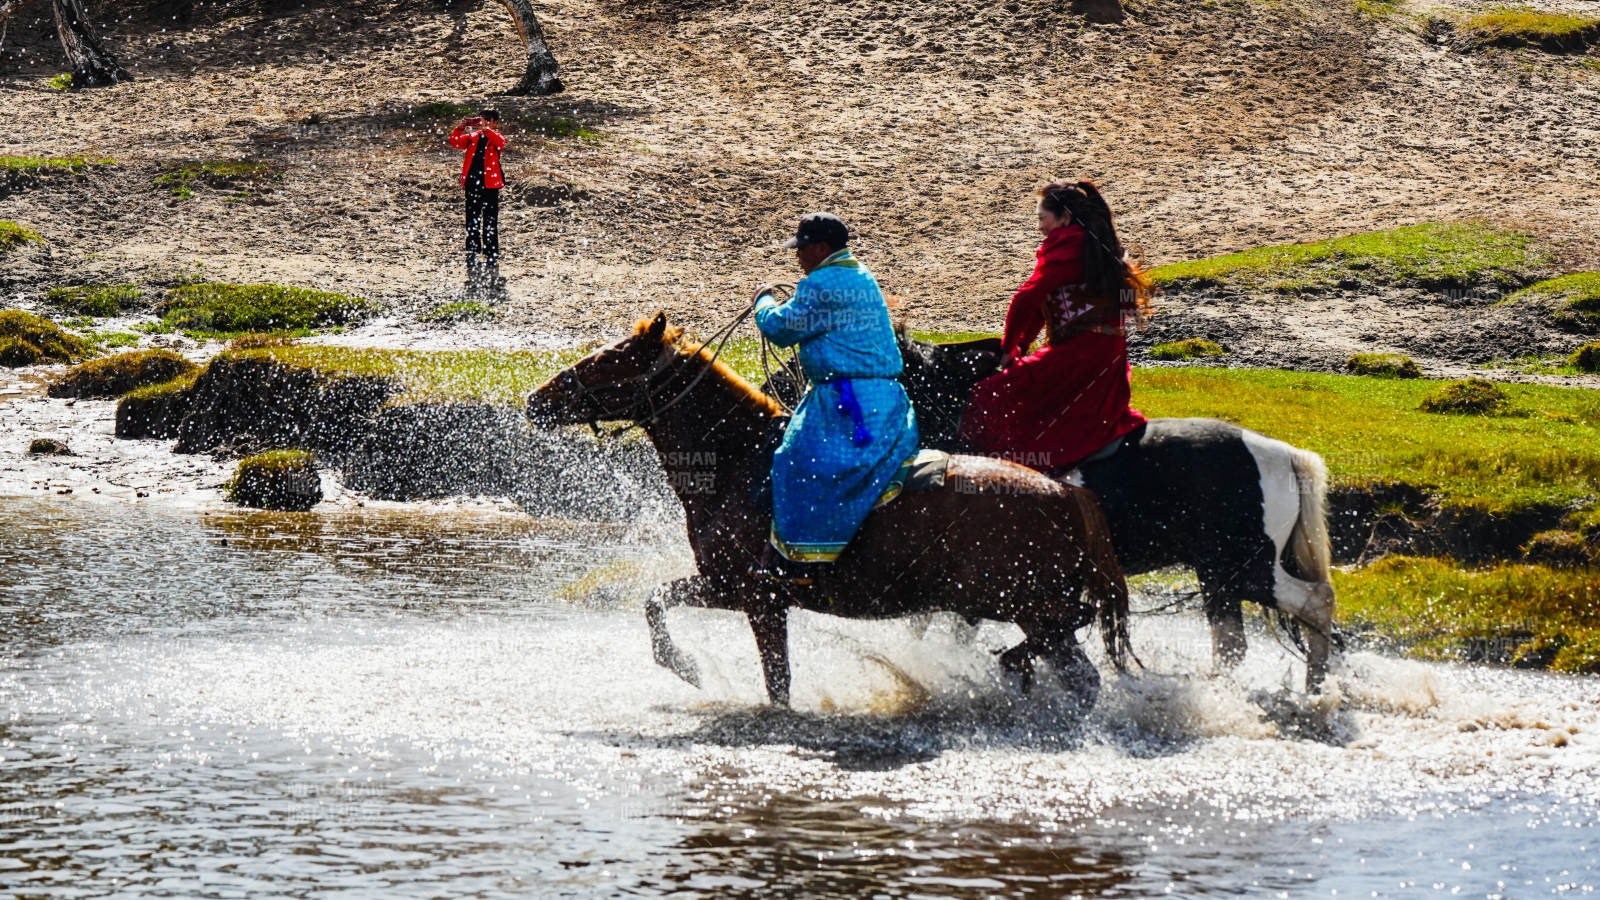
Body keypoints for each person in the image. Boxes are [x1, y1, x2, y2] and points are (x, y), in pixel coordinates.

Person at [751, 213, 919, 582]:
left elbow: (780, 329)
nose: (797, 256)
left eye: (802, 248)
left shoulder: (821, 283)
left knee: (793, 461)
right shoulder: (860, 274)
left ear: (822, 248)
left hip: (846, 404)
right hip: (886, 402)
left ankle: (796, 561)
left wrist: (761, 301)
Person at [959, 179, 1152, 472]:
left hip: (1081, 354)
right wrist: (1022, 346)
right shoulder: (1090, 244)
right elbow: (1041, 306)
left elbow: (1026, 299)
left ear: (1064, 217)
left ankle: (1008, 471)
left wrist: (1008, 348)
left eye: (1043, 218)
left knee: (987, 397)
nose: (1040, 227)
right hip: (1104, 354)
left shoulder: (1068, 245)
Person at [447, 109, 507, 297]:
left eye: (489, 120)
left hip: (490, 185)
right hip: (473, 183)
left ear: (495, 123)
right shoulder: (472, 137)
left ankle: (491, 252)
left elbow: (500, 142)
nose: (485, 122)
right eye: (482, 119)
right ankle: (472, 250)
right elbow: (455, 142)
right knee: (472, 218)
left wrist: (486, 129)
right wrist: (460, 127)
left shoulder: (496, 137)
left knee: (490, 220)